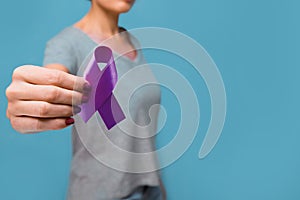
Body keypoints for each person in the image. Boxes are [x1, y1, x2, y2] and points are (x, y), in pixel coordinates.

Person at [5, 0, 166, 199]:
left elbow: (141, 128)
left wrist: (158, 186)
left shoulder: (133, 42)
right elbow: (51, 82)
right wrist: (31, 98)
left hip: (150, 191)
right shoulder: (67, 44)